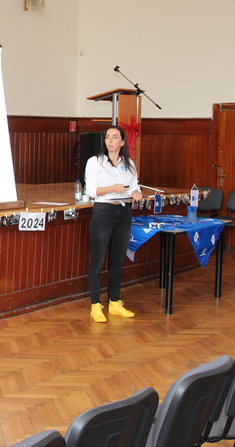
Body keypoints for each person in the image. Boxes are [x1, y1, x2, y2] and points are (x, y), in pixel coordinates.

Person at [83, 125, 143, 323]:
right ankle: (95, 305)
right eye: (107, 137)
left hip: (123, 212)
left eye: (115, 137)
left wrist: (136, 192)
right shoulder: (95, 162)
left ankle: (115, 302)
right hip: (103, 212)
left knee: (117, 261)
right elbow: (91, 190)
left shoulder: (129, 163)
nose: (110, 140)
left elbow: (134, 185)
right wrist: (111, 188)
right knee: (97, 261)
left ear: (122, 142)